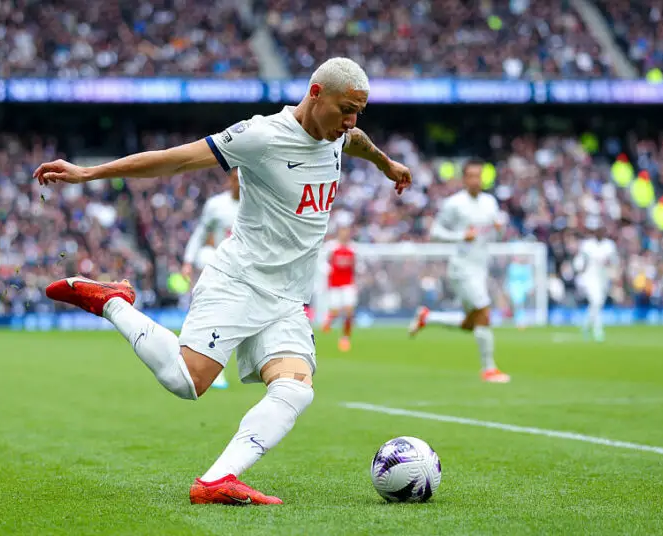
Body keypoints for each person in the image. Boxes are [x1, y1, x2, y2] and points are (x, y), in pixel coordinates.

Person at [33, 57, 412, 505]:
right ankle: (113, 301)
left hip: (287, 297)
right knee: (185, 382)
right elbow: (172, 162)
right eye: (345, 109)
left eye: (358, 112)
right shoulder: (262, 136)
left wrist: (387, 165)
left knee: (295, 388)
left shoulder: (340, 134)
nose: (350, 121)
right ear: (315, 94)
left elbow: (359, 143)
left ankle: (217, 479)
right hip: (239, 280)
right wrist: (88, 172)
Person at [408, 158, 510, 384]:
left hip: (480, 267)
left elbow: (496, 234)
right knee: (484, 313)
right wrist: (461, 236)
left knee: (471, 323)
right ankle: (489, 369)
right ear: (464, 179)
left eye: (479, 175)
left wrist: (499, 230)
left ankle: (428, 317)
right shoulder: (454, 203)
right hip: (462, 268)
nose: (476, 180)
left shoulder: (490, 202)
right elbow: (435, 232)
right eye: (471, 175)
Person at [181, 168, 241, 389]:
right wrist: (188, 261)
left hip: (246, 271)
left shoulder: (255, 204)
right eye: (234, 179)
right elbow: (199, 233)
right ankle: (213, 368)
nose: (238, 183)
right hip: (219, 268)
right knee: (217, 316)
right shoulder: (216, 205)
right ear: (229, 180)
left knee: (236, 321)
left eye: (241, 179)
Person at [573, 227, 618, 342]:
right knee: (596, 301)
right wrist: (580, 271)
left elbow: (615, 261)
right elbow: (580, 261)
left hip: (603, 277)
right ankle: (598, 330)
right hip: (590, 277)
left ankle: (586, 326)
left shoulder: (609, 245)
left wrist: (611, 266)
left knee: (598, 303)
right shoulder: (587, 245)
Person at [321, 226, 359, 351]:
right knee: (336, 312)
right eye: (343, 231)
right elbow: (323, 262)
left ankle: (345, 338)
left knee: (349, 312)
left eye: (347, 231)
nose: (345, 233)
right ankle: (328, 321)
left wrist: (356, 281)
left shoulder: (353, 248)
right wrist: (327, 272)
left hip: (348, 284)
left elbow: (355, 266)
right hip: (335, 285)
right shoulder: (331, 247)